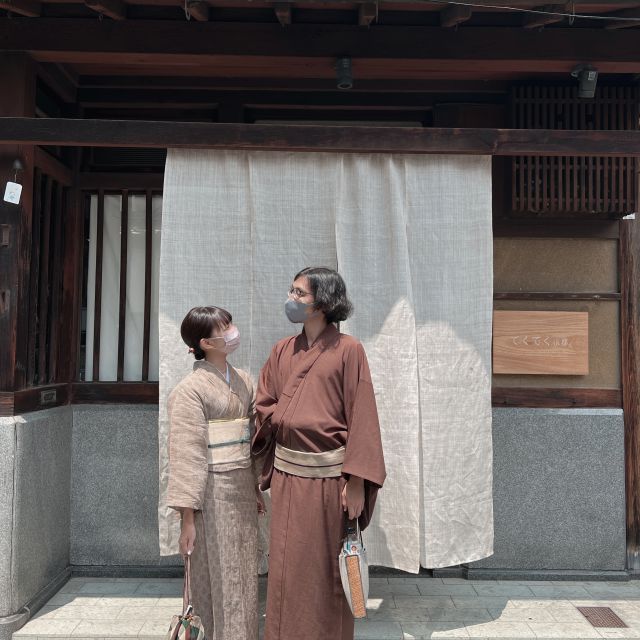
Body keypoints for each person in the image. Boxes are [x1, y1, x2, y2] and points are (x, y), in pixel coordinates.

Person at [252, 267, 386, 640]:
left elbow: (362, 415)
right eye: (291, 291)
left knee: (326, 571)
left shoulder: (349, 350)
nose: (291, 299)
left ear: (323, 302)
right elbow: (264, 402)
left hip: (330, 482)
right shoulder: (282, 350)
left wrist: (356, 482)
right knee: (286, 566)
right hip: (287, 477)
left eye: (300, 293)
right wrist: (284, 419)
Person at [166, 306, 265, 640]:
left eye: (230, 323)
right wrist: (187, 517)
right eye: (225, 328)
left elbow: (251, 440)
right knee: (217, 573)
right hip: (210, 492)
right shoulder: (190, 390)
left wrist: (255, 487)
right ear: (206, 343)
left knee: (244, 571)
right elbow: (187, 454)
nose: (232, 331)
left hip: (241, 488)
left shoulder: (244, 381)